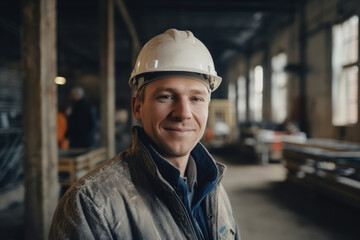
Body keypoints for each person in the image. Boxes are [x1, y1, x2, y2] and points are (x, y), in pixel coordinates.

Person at [50, 29, 240, 239]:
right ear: (137, 106)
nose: (183, 114)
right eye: (166, 96)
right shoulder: (91, 206)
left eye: (196, 99)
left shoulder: (213, 188)